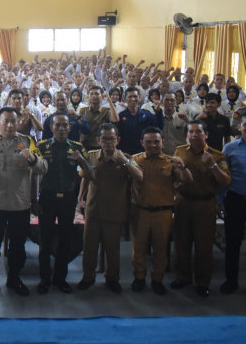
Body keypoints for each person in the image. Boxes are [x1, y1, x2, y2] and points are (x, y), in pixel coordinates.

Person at [0, 109, 46, 297]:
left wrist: (33, 159)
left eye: (13, 121)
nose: (10, 125)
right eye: (6, 121)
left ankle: (14, 278)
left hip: (19, 205)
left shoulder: (28, 142)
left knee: (18, 247)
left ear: (18, 121)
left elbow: (43, 167)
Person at [77, 124, 142, 293]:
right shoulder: (91, 156)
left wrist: (125, 163)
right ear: (98, 140)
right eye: (104, 139)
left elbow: (140, 177)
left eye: (111, 139)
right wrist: (80, 199)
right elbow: (85, 178)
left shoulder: (126, 157)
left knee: (113, 248)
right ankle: (88, 277)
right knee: (89, 246)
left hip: (115, 209)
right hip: (93, 209)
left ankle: (112, 278)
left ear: (117, 140)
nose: (107, 142)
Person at [36, 112, 94, 294]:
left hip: (68, 199)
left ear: (70, 128)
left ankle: (60, 279)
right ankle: (44, 279)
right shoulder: (42, 146)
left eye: (65, 125)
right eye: (57, 125)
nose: (61, 129)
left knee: (64, 240)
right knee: (44, 241)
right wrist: (33, 199)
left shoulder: (77, 147)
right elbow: (32, 174)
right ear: (51, 127)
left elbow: (91, 175)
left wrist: (82, 160)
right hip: (47, 198)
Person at [172, 120, 231, 297]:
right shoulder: (180, 151)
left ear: (206, 135)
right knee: (181, 242)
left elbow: (226, 181)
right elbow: (175, 176)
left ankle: (203, 282)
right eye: (190, 132)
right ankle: (183, 277)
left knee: (204, 245)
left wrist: (212, 164)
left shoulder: (217, 155)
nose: (194, 135)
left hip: (205, 204)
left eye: (198, 132)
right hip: (183, 202)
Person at [131, 127, 191, 295]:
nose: (153, 145)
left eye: (156, 142)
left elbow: (187, 181)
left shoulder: (171, 162)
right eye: (148, 142)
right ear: (142, 143)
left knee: (160, 249)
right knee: (139, 248)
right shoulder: (134, 160)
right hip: (140, 211)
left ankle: (157, 279)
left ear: (163, 142)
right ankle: (139, 278)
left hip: (163, 212)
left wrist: (184, 167)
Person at [220, 117, 246, 294]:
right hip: (236, 199)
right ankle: (231, 280)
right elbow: (222, 176)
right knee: (233, 241)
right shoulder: (230, 148)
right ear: (240, 127)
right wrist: (220, 201)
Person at [117, 87, 164, 155]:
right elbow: (118, 136)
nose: (133, 99)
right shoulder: (120, 116)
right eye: (130, 96)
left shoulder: (147, 114)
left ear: (139, 98)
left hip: (145, 153)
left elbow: (159, 126)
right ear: (125, 99)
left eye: (135, 96)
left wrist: (158, 112)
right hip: (127, 154)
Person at [78, 86, 119, 151]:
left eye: (97, 94)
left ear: (102, 96)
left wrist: (109, 101)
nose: (94, 96)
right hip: (84, 146)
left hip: (100, 147)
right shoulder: (83, 110)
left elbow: (115, 120)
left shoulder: (106, 111)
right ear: (88, 96)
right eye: (91, 94)